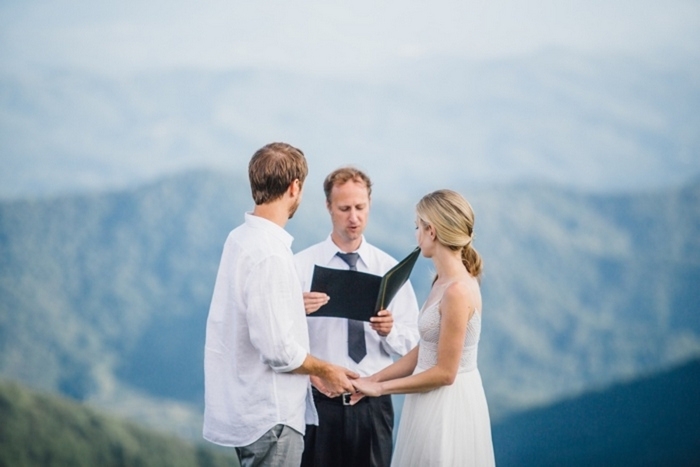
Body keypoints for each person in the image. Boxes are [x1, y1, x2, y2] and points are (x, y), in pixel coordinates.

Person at [203, 143, 358, 467]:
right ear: (294, 187)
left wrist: (286, 305)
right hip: (270, 414)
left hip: (246, 406)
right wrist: (326, 369)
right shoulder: (270, 253)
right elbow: (277, 350)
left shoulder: (240, 238)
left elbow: (247, 313)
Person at [352, 189, 496, 467]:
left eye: (418, 227)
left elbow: (444, 374)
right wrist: (373, 379)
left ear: (432, 231)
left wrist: (381, 390)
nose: (416, 235)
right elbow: (425, 350)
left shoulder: (457, 291)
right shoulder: (442, 281)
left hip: (448, 407)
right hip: (427, 401)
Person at [293, 166, 420, 467]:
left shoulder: (388, 268)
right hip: (318, 403)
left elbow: (414, 344)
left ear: (370, 205)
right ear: (328, 207)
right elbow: (277, 339)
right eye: (344, 208)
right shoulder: (299, 266)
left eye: (360, 207)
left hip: (373, 405)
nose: (354, 217)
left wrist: (390, 330)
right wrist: (294, 309)